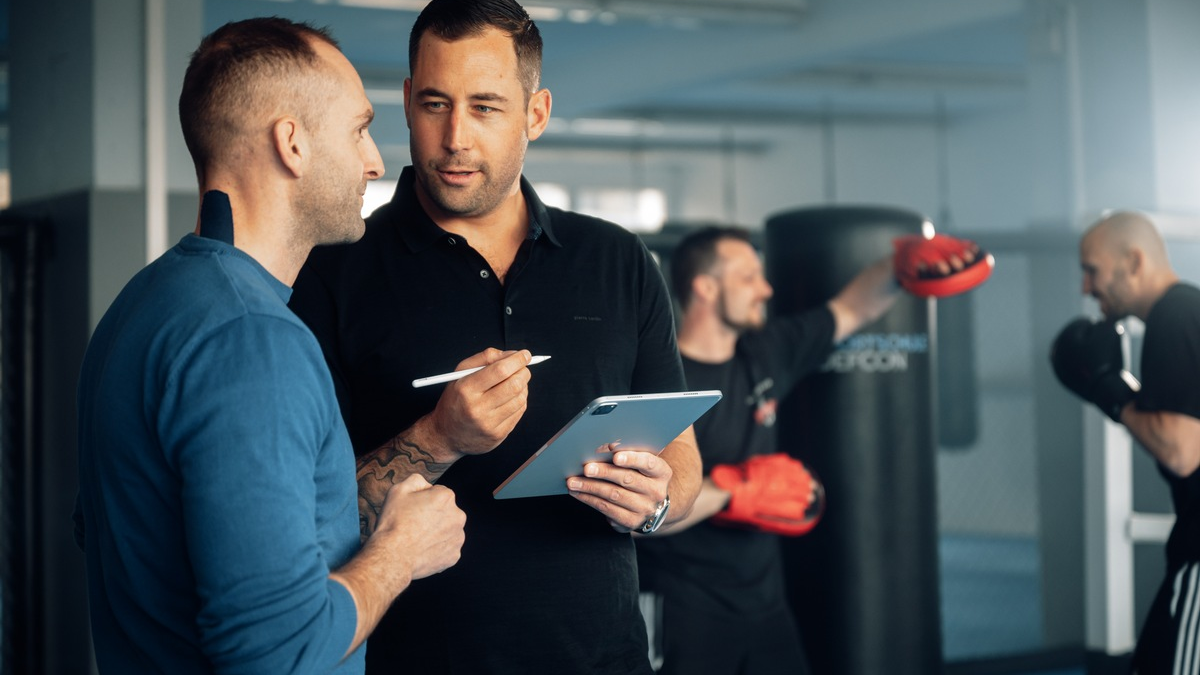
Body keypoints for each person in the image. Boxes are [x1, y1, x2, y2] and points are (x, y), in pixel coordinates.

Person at [287, 0, 703, 673]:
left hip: (605, 659)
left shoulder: (617, 260)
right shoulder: (335, 269)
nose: (454, 137)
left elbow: (683, 468)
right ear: (404, 103)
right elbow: (302, 519)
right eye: (433, 104)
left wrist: (652, 503)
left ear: (535, 114)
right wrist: (437, 438)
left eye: (484, 107)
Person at [73, 18, 466, 674]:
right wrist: (402, 551)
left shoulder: (144, 304)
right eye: (358, 129)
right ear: (293, 143)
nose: (374, 160)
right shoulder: (253, 343)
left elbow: (123, 535)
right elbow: (276, 652)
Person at [1051, 211, 1200, 675]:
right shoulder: (1187, 311)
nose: (1086, 287)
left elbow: (1180, 450)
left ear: (1134, 261)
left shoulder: (1174, 316)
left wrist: (1108, 390)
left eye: (1091, 269)